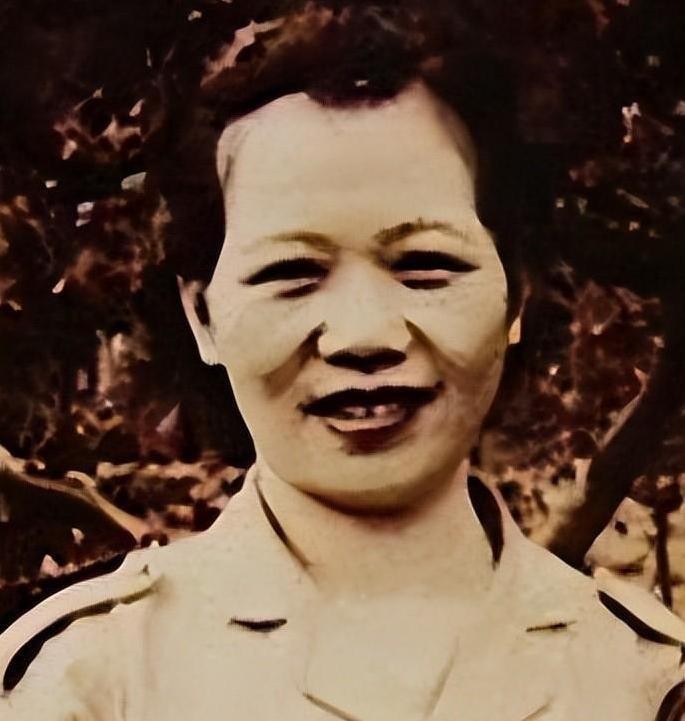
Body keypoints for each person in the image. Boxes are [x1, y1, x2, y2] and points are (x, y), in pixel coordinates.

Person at [1, 3, 684, 720]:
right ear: (202, 315)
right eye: (291, 273)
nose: (362, 336)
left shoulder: (641, 681)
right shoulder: (95, 678)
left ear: (517, 296)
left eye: (424, 266)